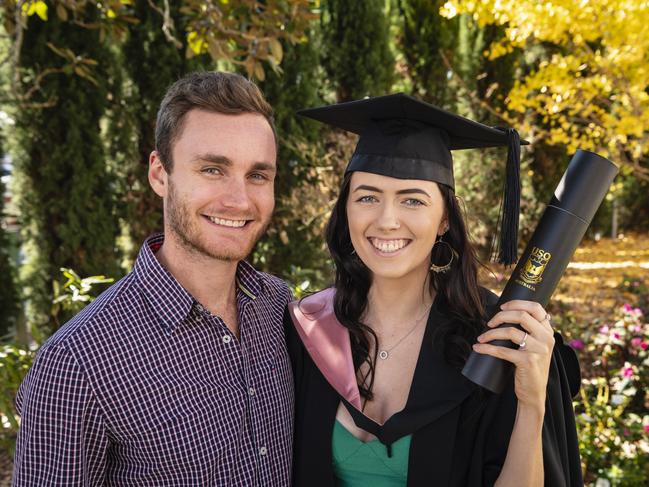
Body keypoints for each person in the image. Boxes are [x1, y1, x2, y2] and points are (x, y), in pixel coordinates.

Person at [285, 94, 582, 486]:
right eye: (368, 197)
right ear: (346, 211)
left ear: (444, 219)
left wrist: (531, 405)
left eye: (412, 200)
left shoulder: (494, 339)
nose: (387, 220)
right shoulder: (310, 328)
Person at [13, 72, 293, 486]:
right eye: (213, 170)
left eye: (258, 175)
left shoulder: (277, 305)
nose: (239, 199)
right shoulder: (77, 363)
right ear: (160, 174)